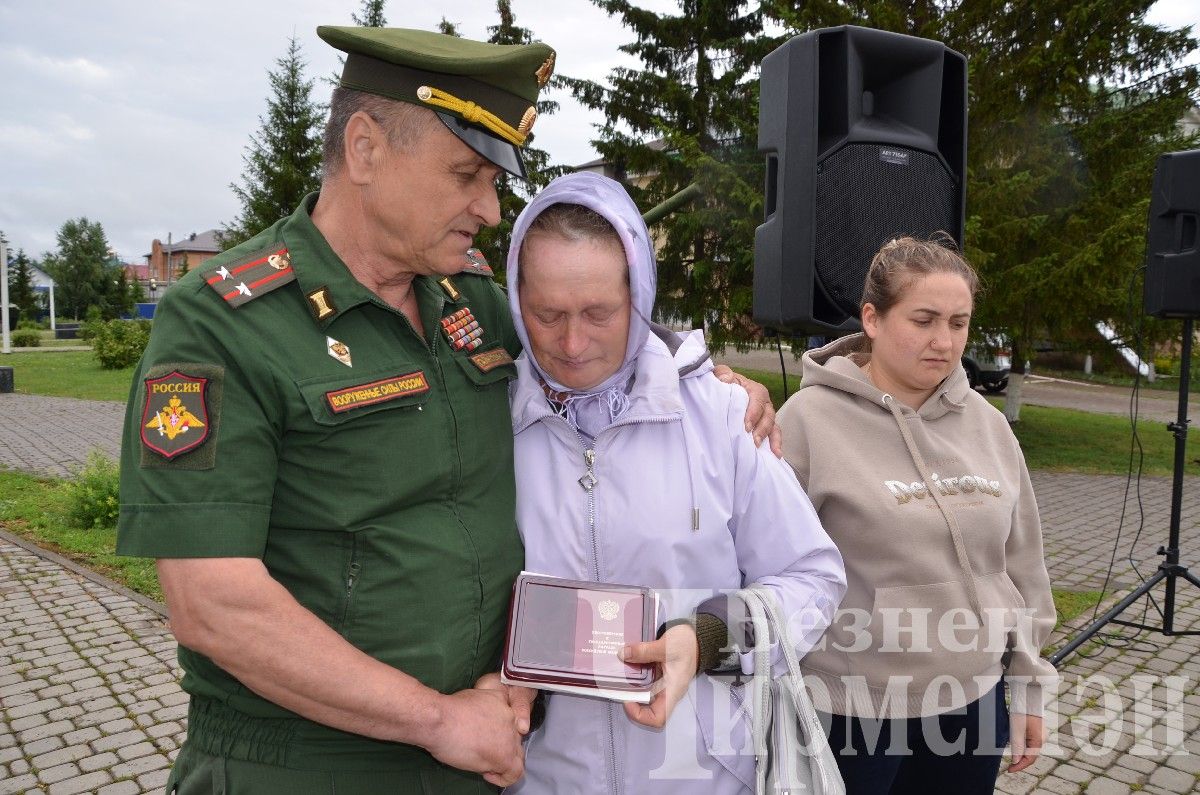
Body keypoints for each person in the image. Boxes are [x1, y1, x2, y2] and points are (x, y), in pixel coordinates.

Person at [116, 27, 778, 794]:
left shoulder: (475, 305)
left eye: (494, 180)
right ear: (364, 149)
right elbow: (213, 604)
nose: (491, 209)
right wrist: (435, 718)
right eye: (466, 173)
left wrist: (712, 382)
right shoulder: (225, 321)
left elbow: (601, 350)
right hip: (306, 763)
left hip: (483, 753)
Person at [500, 171, 847, 793]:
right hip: (544, 778)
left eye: (599, 313)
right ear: (514, 299)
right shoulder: (487, 422)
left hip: (702, 775)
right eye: (546, 314)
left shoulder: (718, 414)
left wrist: (708, 637)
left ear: (640, 297)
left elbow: (813, 577)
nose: (573, 342)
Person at [776, 237, 1058, 794]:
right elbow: (772, 570)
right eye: (924, 320)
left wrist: (1028, 684)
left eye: (959, 323)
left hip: (974, 701)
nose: (944, 341)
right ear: (872, 319)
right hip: (853, 710)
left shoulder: (988, 424)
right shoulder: (807, 422)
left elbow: (1023, 566)